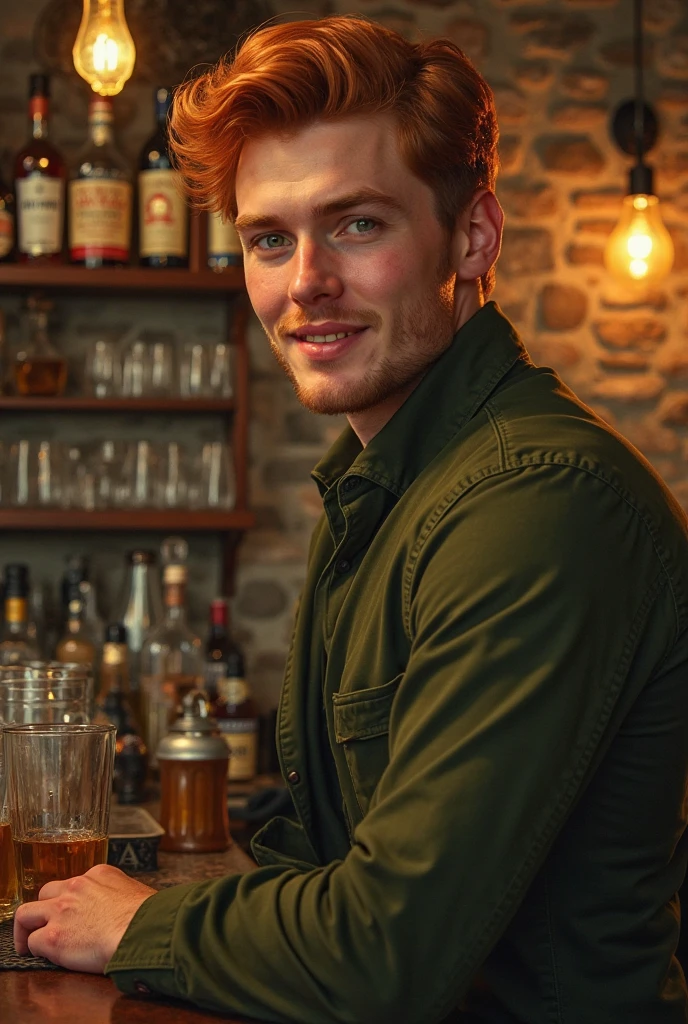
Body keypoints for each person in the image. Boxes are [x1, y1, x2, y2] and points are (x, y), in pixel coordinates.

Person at [14, 14, 688, 1023]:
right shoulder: (377, 491)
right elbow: (320, 860)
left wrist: (144, 924)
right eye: (269, 240)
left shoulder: (541, 501)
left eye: (358, 224)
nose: (305, 283)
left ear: (473, 236)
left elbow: (387, 951)